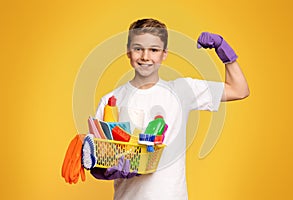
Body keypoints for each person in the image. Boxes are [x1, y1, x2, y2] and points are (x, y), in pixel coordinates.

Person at [89, 18, 249, 200]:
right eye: (138, 48)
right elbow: (97, 159)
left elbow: (239, 89)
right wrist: (106, 170)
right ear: (128, 51)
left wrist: (225, 52)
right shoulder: (111, 101)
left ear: (164, 54)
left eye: (154, 50)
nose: (145, 57)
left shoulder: (182, 90)